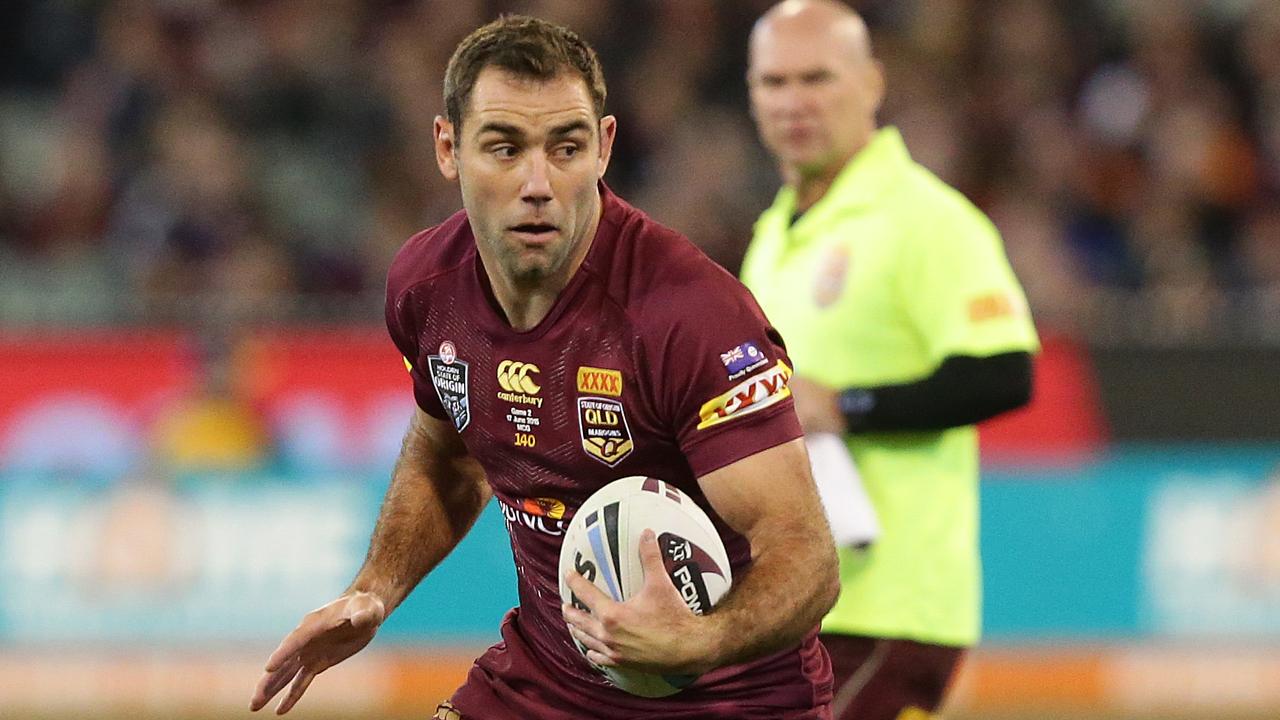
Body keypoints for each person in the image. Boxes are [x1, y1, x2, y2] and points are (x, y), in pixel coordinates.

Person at [250, 14, 840, 720]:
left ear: (605, 147)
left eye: (566, 147)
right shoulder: (424, 288)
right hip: (549, 687)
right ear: (448, 147)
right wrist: (374, 590)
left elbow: (805, 555)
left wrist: (698, 642)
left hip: (731, 703)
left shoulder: (689, 316)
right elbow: (447, 457)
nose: (538, 183)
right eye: (504, 148)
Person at [741, 2, 1040, 719]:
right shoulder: (772, 236)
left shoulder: (927, 220)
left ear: (872, 83)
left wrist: (848, 405)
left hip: (890, 604)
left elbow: (1004, 372)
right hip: (795, 601)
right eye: (774, 83)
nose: (794, 102)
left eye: (817, 78)